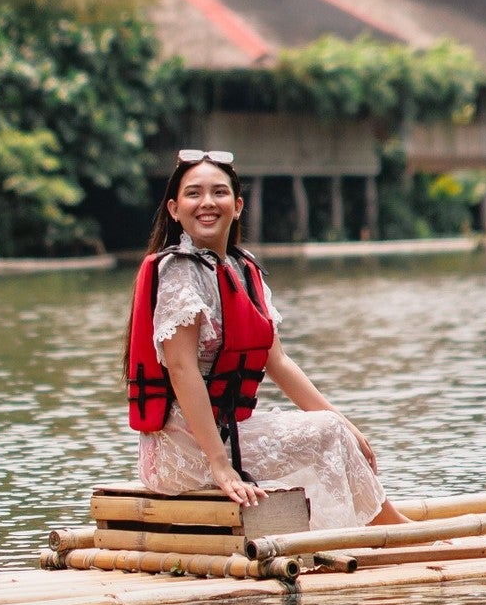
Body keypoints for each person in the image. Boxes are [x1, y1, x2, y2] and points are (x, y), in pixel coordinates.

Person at [123, 148, 407, 528]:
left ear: (237, 205)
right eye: (194, 194)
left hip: (227, 434)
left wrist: (343, 421)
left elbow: (278, 361)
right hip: (181, 450)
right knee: (325, 434)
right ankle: (390, 529)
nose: (207, 202)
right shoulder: (178, 272)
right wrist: (221, 467)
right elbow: (180, 369)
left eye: (219, 193)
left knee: (330, 429)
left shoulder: (242, 269)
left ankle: (376, 527)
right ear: (174, 209)